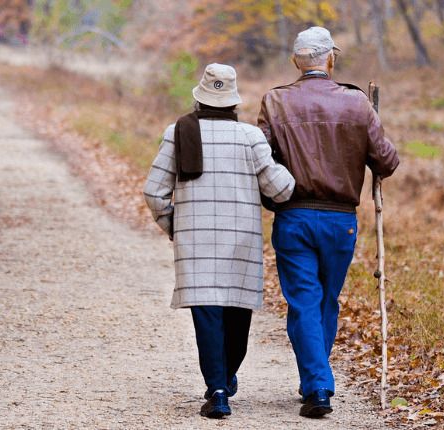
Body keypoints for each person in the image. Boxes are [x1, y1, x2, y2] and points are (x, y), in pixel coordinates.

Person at [256, 26, 400, 418]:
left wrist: (273, 192)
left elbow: (259, 158)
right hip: (340, 221)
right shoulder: (356, 103)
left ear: (295, 62)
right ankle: (317, 383)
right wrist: (369, 126)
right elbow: (387, 161)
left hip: (294, 215)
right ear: (330, 59)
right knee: (324, 300)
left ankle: (316, 383)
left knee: (304, 301)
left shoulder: (275, 101)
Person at [143, 63, 295, 419]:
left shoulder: (177, 133)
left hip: (195, 243)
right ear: (233, 102)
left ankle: (218, 389)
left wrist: (174, 226)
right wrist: (286, 166)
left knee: (207, 315)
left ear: (199, 98)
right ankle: (224, 379)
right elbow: (281, 189)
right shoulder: (250, 137)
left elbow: (154, 192)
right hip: (240, 241)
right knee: (236, 315)